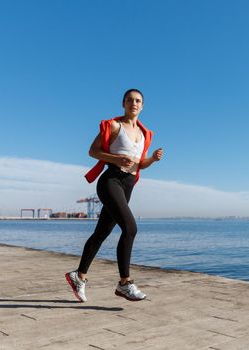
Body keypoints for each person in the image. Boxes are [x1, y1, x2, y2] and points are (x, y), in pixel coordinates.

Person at [65, 88, 163, 302]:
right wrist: (116, 159)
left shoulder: (145, 134)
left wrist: (153, 159)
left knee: (101, 233)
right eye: (129, 100)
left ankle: (79, 276)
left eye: (137, 101)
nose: (133, 103)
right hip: (110, 181)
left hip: (128, 185)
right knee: (130, 228)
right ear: (123, 104)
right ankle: (124, 283)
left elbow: (140, 164)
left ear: (142, 106)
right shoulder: (114, 126)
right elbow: (93, 151)